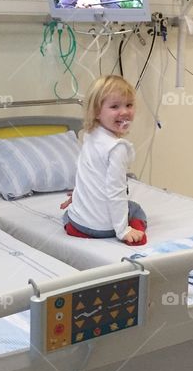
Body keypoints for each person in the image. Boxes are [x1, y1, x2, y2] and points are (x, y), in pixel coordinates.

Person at [61, 75, 147, 245]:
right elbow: (116, 191)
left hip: (79, 226)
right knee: (136, 209)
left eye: (129, 105)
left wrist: (79, 197)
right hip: (106, 229)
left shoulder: (90, 136)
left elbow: (87, 174)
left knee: (67, 215)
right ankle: (134, 230)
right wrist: (122, 230)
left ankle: (78, 225)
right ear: (96, 112)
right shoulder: (117, 148)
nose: (124, 112)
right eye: (115, 106)